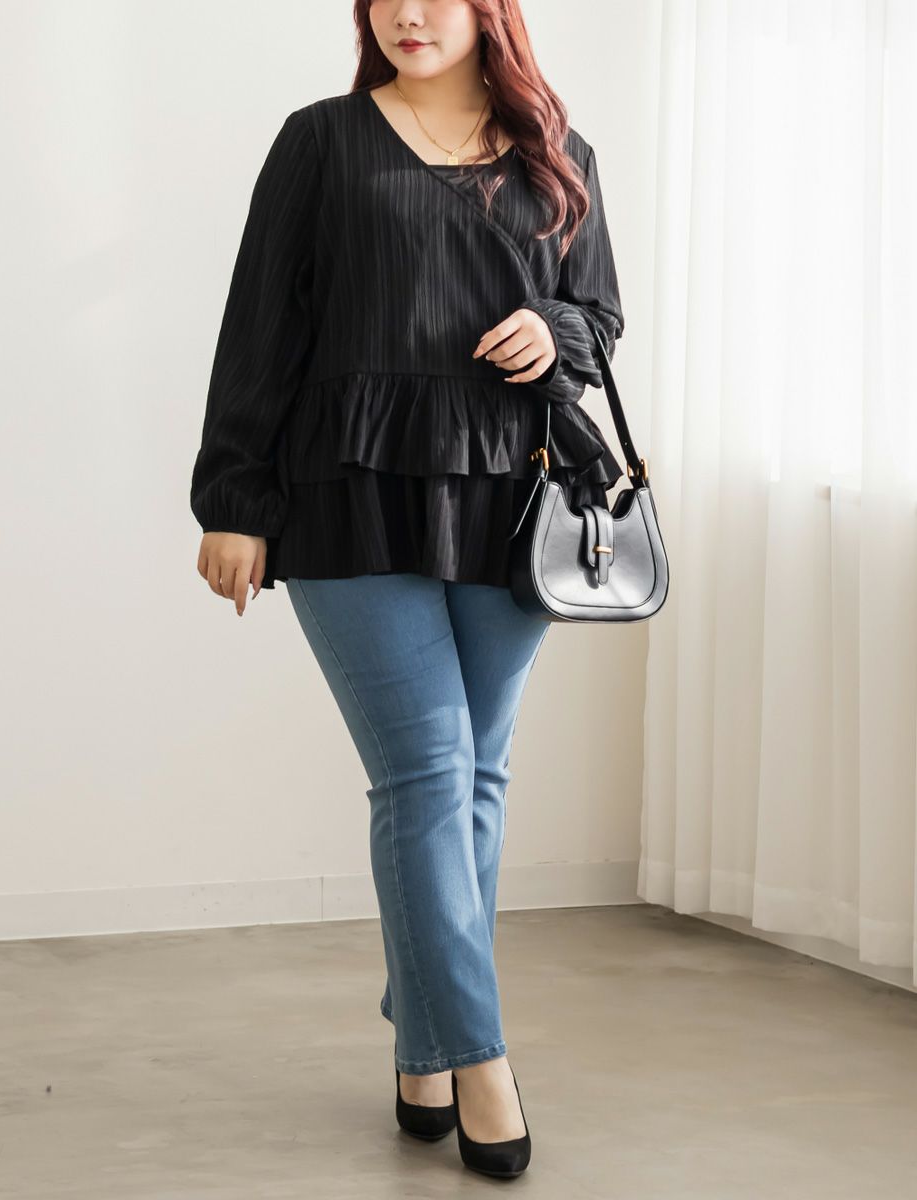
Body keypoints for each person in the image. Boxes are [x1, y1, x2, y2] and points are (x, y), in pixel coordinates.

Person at [190, 0, 624, 1180]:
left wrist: (554, 331)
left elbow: (600, 317)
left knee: (475, 776)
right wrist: (233, 498)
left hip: (508, 497)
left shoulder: (559, 154)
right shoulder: (320, 141)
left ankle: (422, 1047)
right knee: (427, 771)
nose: (408, 13)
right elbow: (259, 326)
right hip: (347, 486)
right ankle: (481, 1058)